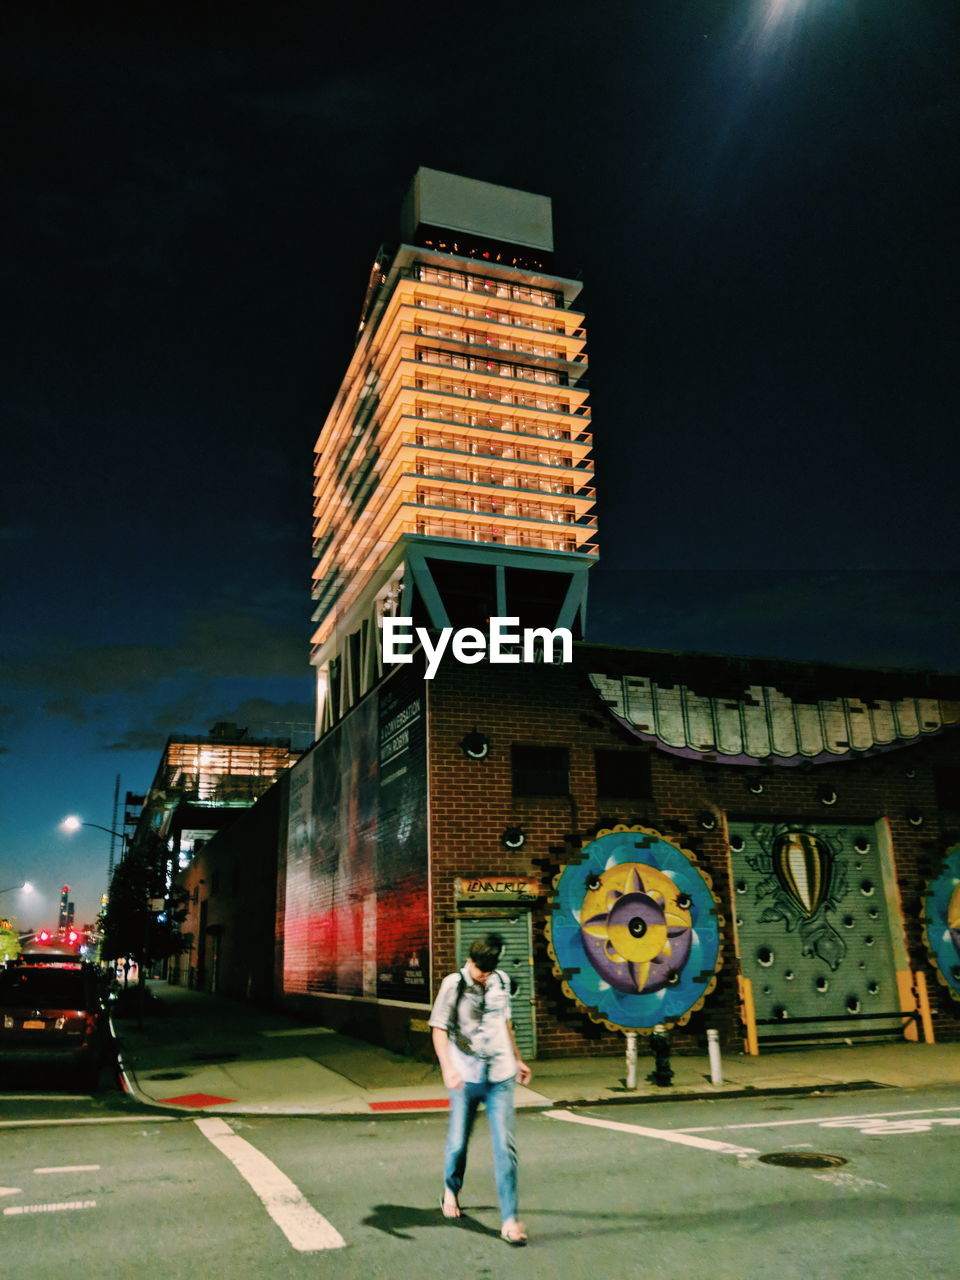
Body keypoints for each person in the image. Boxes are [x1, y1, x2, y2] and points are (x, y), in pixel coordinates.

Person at [429, 932, 532, 1246]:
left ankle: (510, 1220)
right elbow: (439, 1027)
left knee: (505, 1147)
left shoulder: (501, 982)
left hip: (500, 1076)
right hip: (466, 1076)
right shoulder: (453, 984)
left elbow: (506, 1023)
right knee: (459, 1142)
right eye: (479, 971)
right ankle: (451, 1189)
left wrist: (517, 1058)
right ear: (469, 961)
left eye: (488, 972)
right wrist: (447, 1067)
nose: (483, 978)